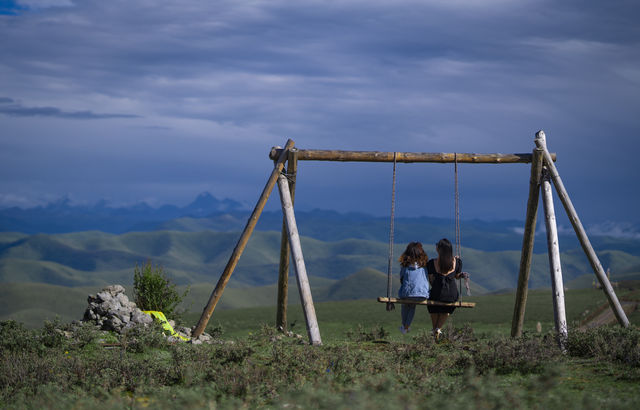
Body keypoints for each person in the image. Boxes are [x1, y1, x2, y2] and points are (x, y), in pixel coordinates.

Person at [426, 238, 467, 341]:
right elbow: (457, 276)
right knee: (447, 308)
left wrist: (436, 287)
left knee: (433, 306)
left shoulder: (432, 263)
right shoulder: (457, 262)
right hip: (451, 294)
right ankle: (438, 329)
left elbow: (431, 280)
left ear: (439, 249)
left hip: (437, 292)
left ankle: (435, 330)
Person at [397, 242, 430, 334]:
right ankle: (405, 327)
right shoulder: (424, 266)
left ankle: (405, 326)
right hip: (422, 294)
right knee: (412, 306)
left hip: (407, 294)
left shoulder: (405, 266)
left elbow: (402, 279)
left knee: (406, 305)